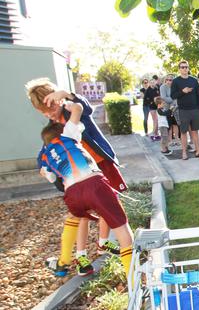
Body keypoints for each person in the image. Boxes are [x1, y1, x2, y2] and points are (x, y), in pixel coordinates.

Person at [26, 78, 126, 276]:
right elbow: (45, 151)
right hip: (79, 175)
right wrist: (42, 165)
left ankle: (103, 243)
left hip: (100, 164)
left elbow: (85, 108)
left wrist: (67, 94)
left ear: (59, 98)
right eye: (44, 113)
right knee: (81, 214)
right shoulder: (53, 128)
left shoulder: (73, 109)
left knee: (110, 202)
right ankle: (80, 256)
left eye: (52, 107)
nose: (50, 114)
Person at [171, 60, 199, 160]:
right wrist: (183, 91)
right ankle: (184, 152)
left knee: (195, 131)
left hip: (195, 110)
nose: (185, 69)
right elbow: (173, 95)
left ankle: (198, 151)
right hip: (183, 110)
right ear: (179, 69)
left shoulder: (194, 80)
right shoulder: (176, 81)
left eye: (186, 67)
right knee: (183, 132)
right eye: (182, 67)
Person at [159, 73, 179, 142]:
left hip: (175, 107)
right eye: (167, 79)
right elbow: (163, 97)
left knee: (175, 124)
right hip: (167, 108)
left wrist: (173, 100)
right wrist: (173, 99)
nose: (168, 81)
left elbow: (178, 96)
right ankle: (170, 140)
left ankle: (176, 139)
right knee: (169, 125)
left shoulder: (176, 87)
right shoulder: (162, 87)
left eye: (170, 80)